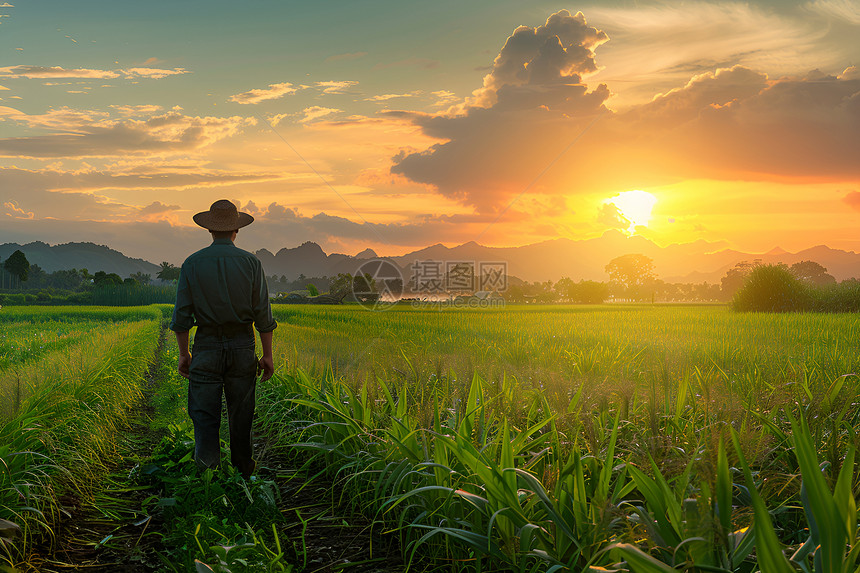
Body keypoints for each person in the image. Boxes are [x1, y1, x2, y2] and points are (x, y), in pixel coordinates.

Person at [169, 199, 277, 478]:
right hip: (243, 346)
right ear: (236, 231)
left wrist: (184, 354)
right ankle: (244, 477)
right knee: (241, 418)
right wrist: (268, 355)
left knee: (205, 417)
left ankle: (209, 481)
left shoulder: (192, 263)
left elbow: (182, 317)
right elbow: (263, 315)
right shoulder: (252, 263)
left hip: (205, 346)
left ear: (209, 230)